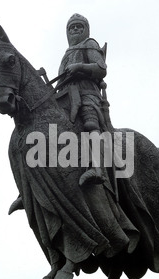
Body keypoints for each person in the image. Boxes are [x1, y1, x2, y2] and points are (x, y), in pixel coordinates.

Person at [56, 13, 108, 186]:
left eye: (79, 26)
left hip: (87, 93)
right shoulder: (66, 54)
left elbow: (101, 68)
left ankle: (97, 167)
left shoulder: (90, 44)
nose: (76, 29)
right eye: (72, 27)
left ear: (86, 30)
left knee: (90, 121)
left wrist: (80, 66)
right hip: (65, 98)